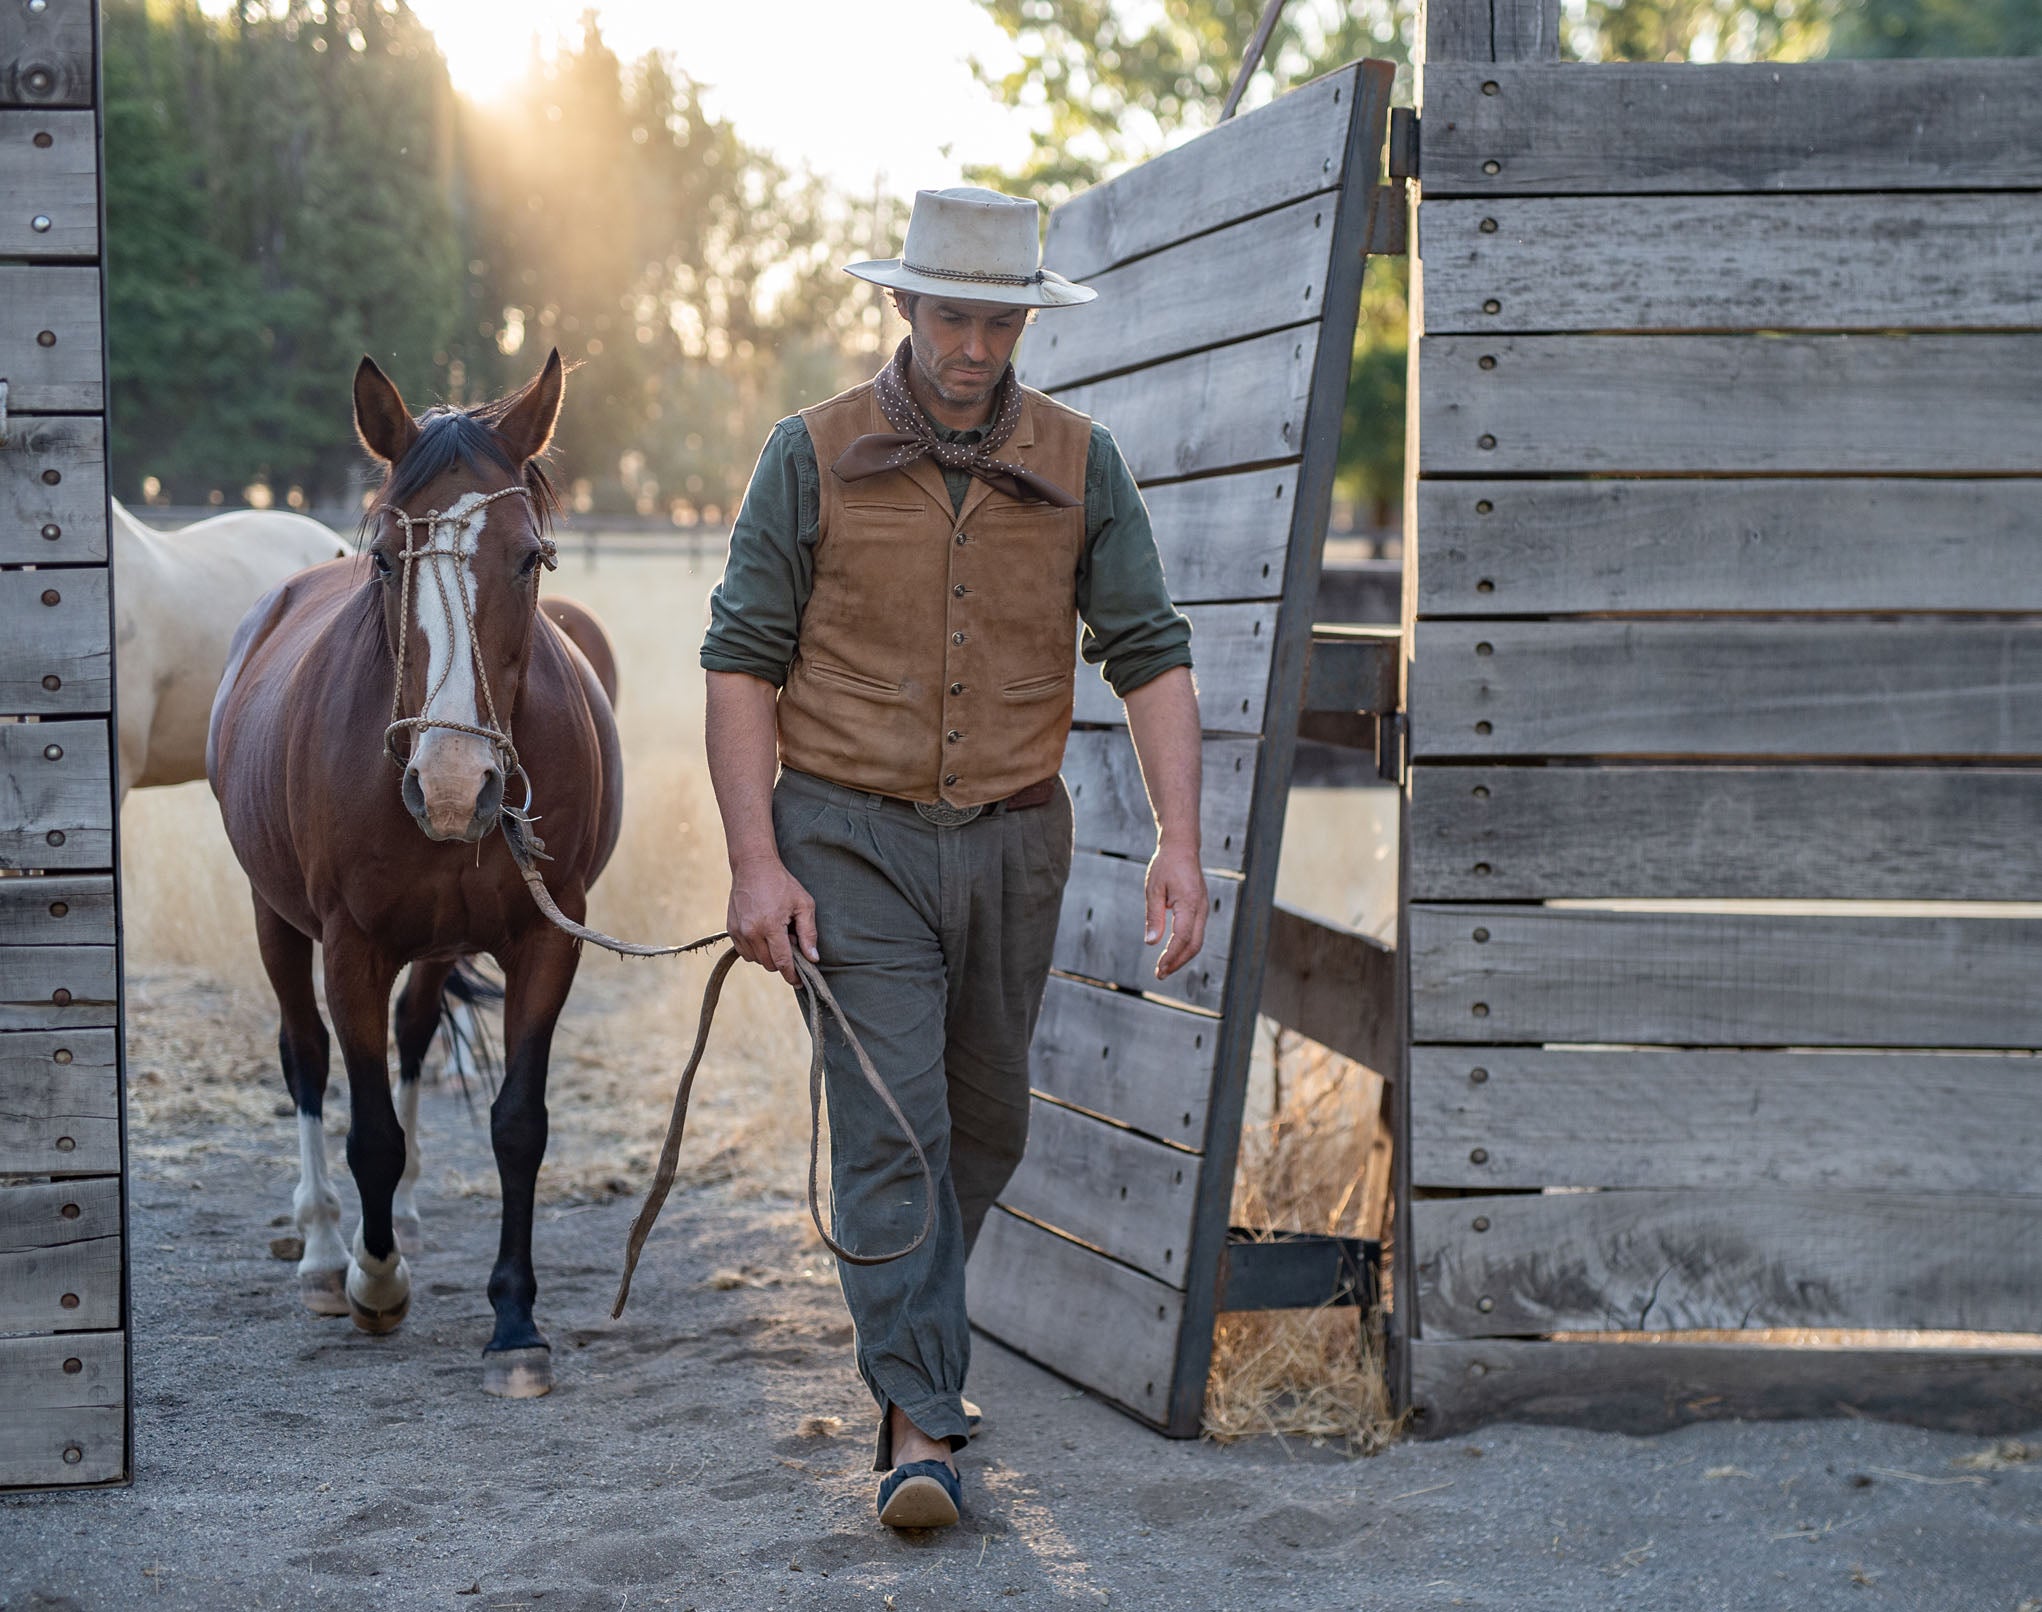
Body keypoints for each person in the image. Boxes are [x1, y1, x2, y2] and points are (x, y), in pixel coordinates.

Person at [700, 186, 1207, 1530]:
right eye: (951, 317)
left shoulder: (1081, 462)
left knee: (984, 1127)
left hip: (1012, 841)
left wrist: (1181, 844)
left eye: (999, 320)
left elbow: (1148, 651)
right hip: (845, 837)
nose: (974, 346)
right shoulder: (804, 456)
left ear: (1024, 319)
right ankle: (920, 1424)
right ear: (901, 306)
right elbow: (740, 665)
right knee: (896, 1132)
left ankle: (906, 1347)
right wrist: (758, 867)